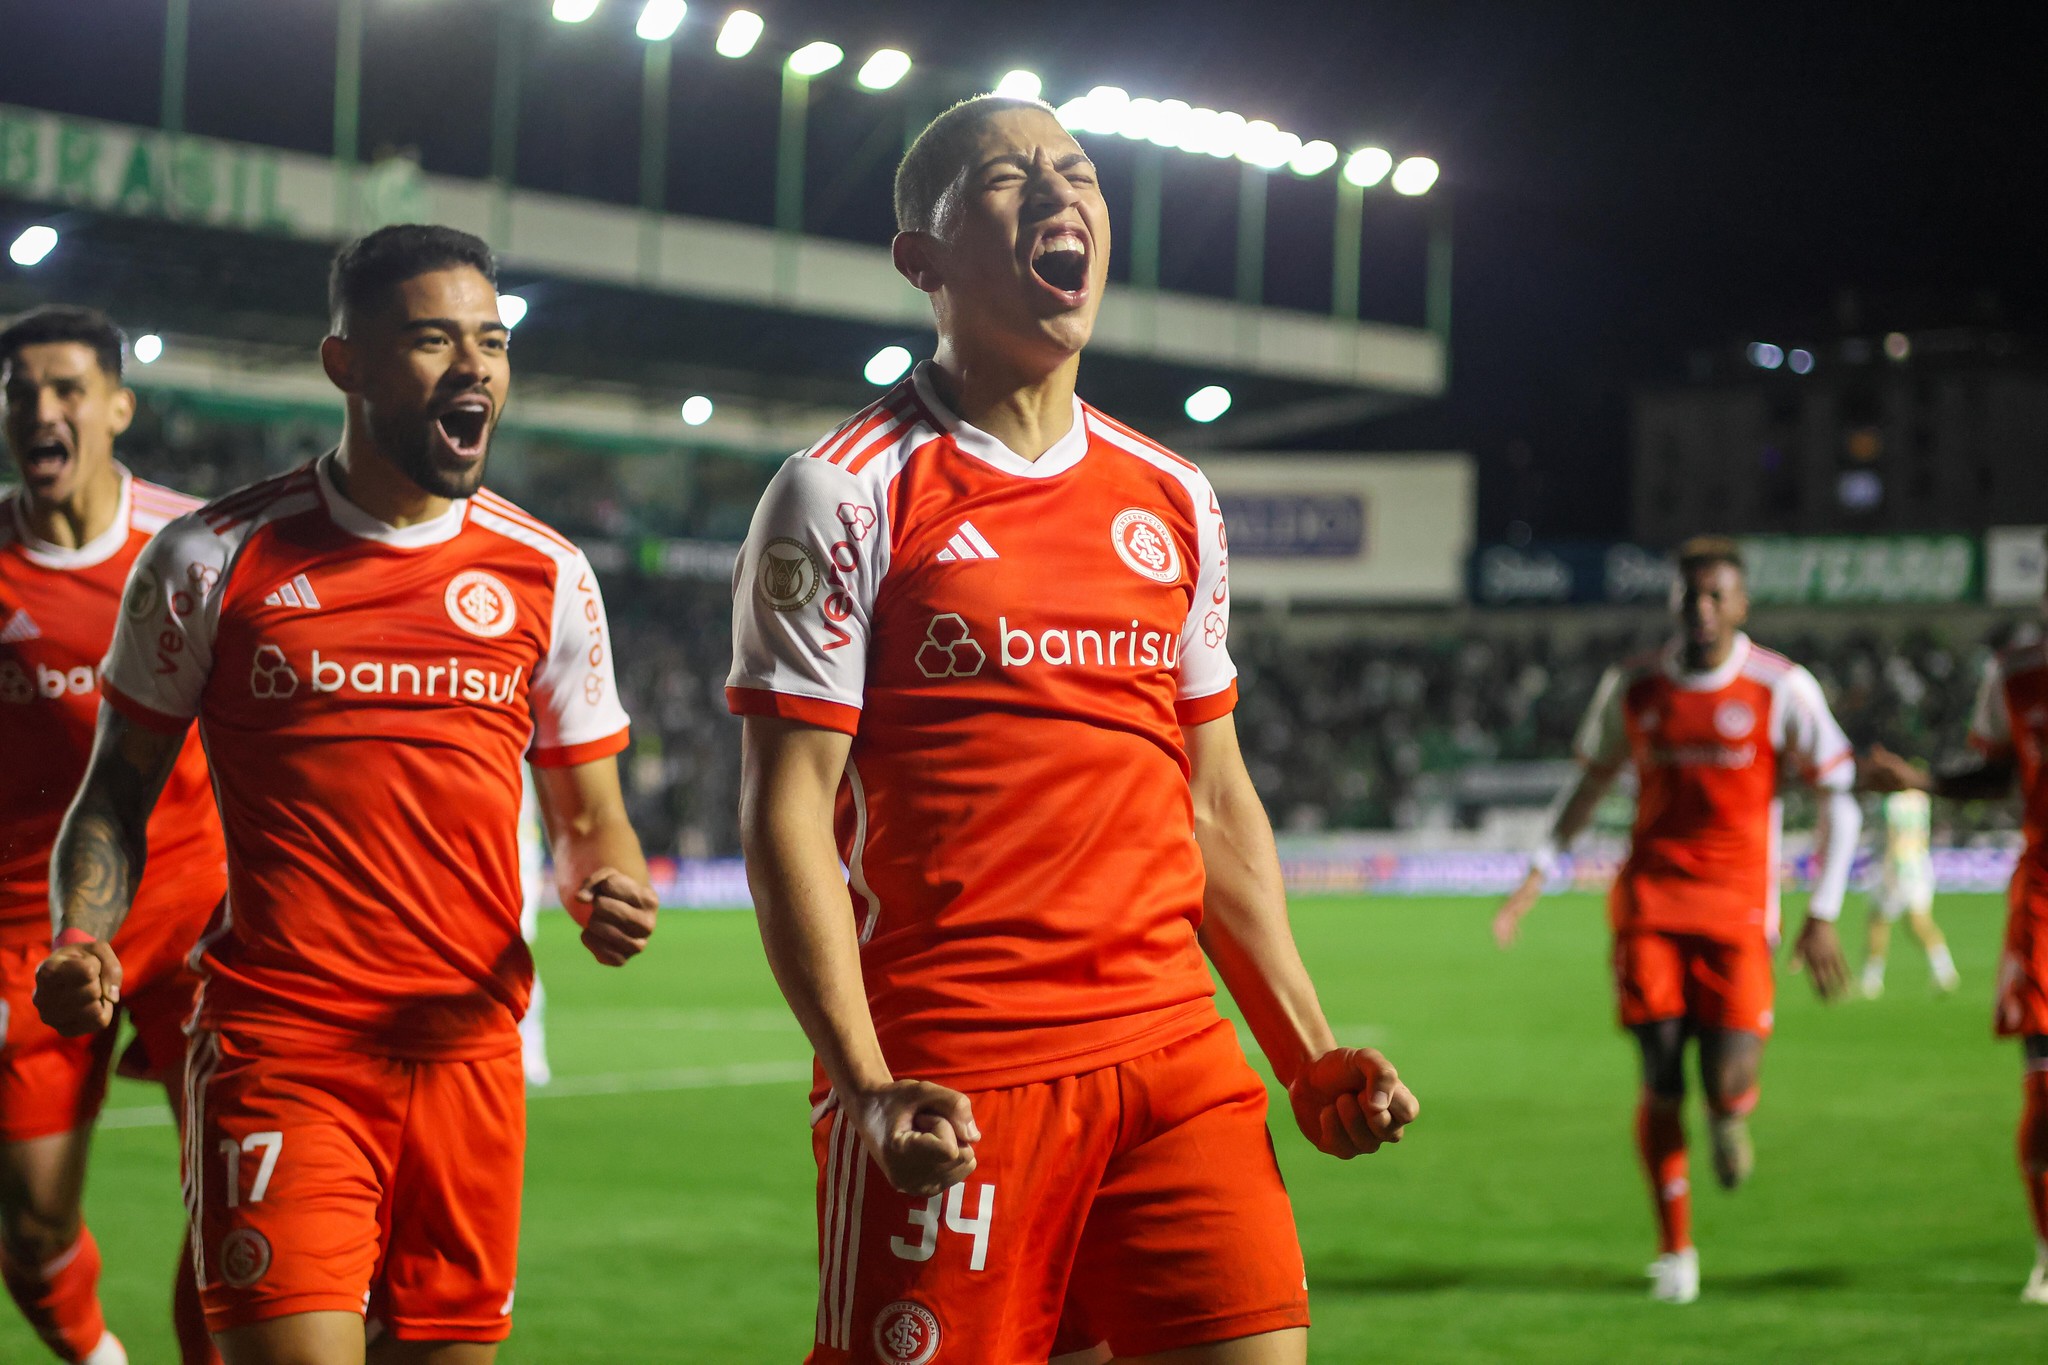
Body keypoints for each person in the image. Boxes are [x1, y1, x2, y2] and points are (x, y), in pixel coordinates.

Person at [729, 94, 1418, 1365]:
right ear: (918, 257)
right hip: (960, 1076)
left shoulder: (1171, 497)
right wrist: (864, 1081)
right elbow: (784, 810)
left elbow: (1212, 800)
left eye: (1078, 173)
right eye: (1006, 178)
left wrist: (1304, 1051)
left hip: (1174, 1061)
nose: (1058, 195)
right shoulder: (844, 491)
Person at [32, 225, 659, 1364]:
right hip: (285, 1050)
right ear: (346, 364)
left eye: (491, 342)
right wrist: (83, 932)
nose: (473, 368)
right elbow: (116, 791)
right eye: (431, 341)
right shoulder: (210, 560)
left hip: (469, 1054)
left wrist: (603, 882)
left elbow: (587, 810)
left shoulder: (548, 573)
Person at [1493, 536, 1859, 1305]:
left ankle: (1730, 1117)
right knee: (1660, 1074)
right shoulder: (1633, 687)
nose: (1702, 609)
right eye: (1689, 595)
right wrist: (1536, 873)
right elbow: (1588, 786)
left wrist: (1822, 910)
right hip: (1651, 906)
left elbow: (1840, 794)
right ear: (1673, 603)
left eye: (1716, 595)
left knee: (1725, 1081)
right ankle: (1676, 1249)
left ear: (1741, 603)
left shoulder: (1780, 687)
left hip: (1738, 913)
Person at [1, 307, 228, 1365]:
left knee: (242, 1205)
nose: (40, 411)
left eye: (66, 390)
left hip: (195, 912)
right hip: (29, 933)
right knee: (32, 1225)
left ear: (117, 408)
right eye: (20, 394)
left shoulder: (195, 547)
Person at [1863, 622, 2048, 1303]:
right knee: (2045, 1086)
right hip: (2046, 897)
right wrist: (1919, 778)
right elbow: (1997, 773)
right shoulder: (2018, 673)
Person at [1858, 789, 1959, 999]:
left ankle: (1871, 979)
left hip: (1896, 867)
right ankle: (1944, 970)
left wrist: (1886, 869)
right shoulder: (1920, 799)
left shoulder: (1889, 801)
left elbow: (1893, 836)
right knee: (1919, 922)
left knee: (1879, 922)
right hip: (1919, 866)